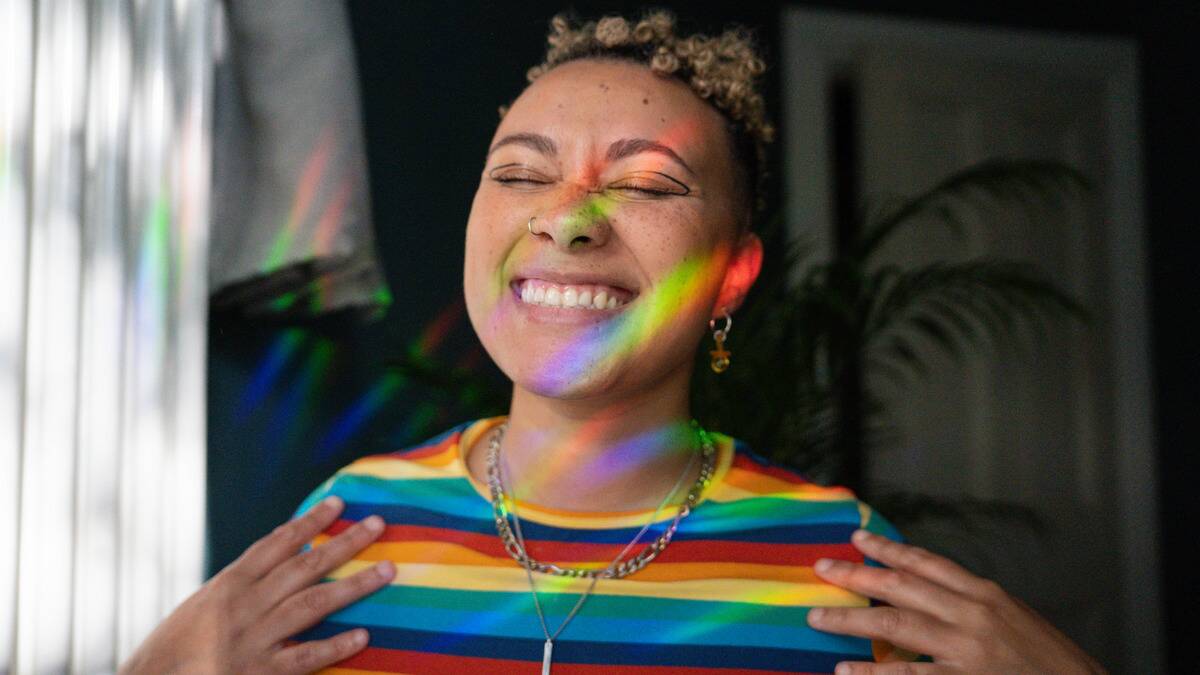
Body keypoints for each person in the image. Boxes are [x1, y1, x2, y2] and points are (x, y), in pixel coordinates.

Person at [120, 10, 1107, 675]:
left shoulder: (847, 569)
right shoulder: (343, 533)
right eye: (521, 173)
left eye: (645, 185)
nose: (568, 218)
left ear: (732, 275)